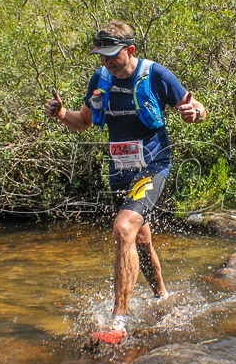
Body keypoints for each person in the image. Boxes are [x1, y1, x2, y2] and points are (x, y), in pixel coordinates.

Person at [43, 21, 207, 344]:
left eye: (111, 55)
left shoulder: (156, 75)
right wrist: (61, 113)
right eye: (101, 56)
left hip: (152, 167)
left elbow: (198, 106)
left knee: (123, 229)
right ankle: (163, 298)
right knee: (140, 241)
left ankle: (119, 321)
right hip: (119, 173)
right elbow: (84, 121)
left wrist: (194, 114)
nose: (106, 62)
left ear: (130, 50)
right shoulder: (100, 79)